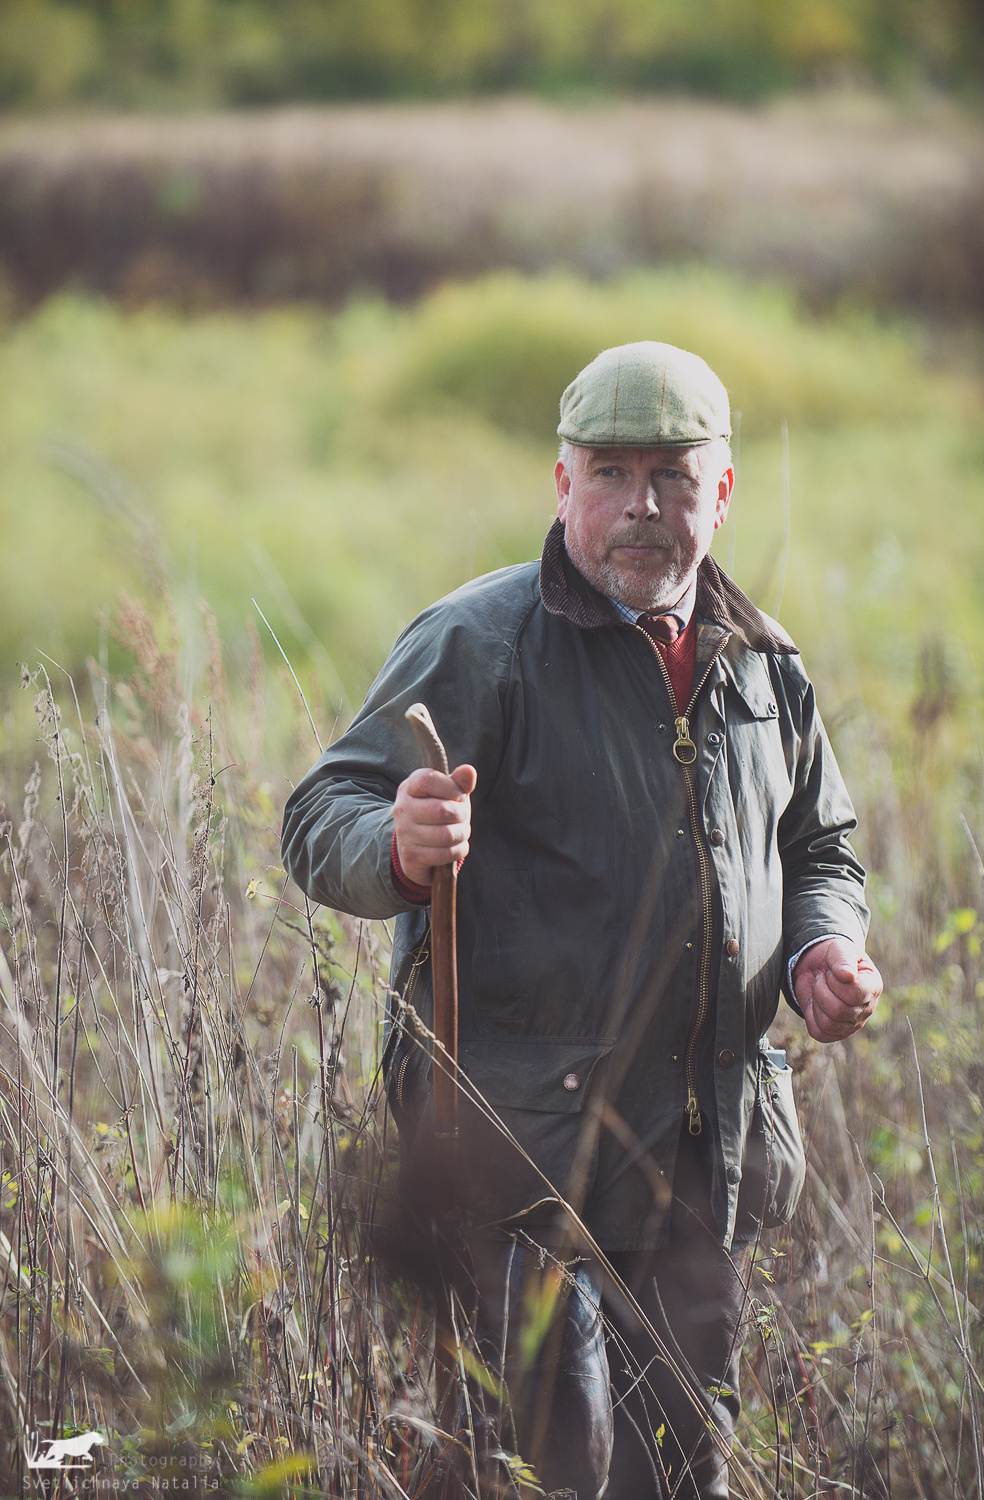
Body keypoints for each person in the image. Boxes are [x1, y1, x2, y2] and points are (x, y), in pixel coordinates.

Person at [281, 341, 882, 1499]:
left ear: (722, 491)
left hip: (697, 1152)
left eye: (672, 475)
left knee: (678, 1464)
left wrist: (818, 947)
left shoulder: (764, 666)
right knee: (550, 1461)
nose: (641, 507)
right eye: (609, 473)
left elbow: (819, 846)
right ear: (561, 485)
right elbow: (325, 810)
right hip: (519, 1160)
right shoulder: (481, 640)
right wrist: (393, 848)